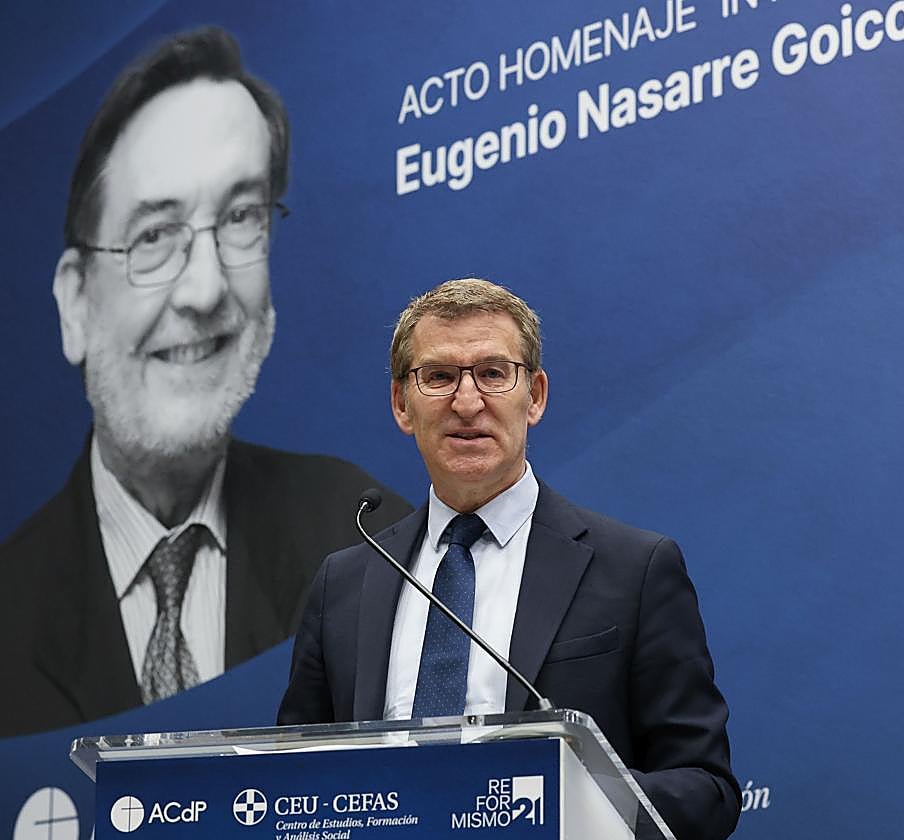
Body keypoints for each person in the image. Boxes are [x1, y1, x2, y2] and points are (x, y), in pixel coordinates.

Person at [0, 27, 410, 738]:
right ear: (75, 303)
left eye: (241, 218)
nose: (206, 288)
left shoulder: (368, 540)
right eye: (154, 235)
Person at [278, 278, 739, 839]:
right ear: (402, 404)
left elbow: (706, 788)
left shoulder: (635, 570)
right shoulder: (346, 581)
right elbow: (290, 786)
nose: (467, 402)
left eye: (493, 374)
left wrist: (563, 802)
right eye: (438, 376)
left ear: (535, 396)